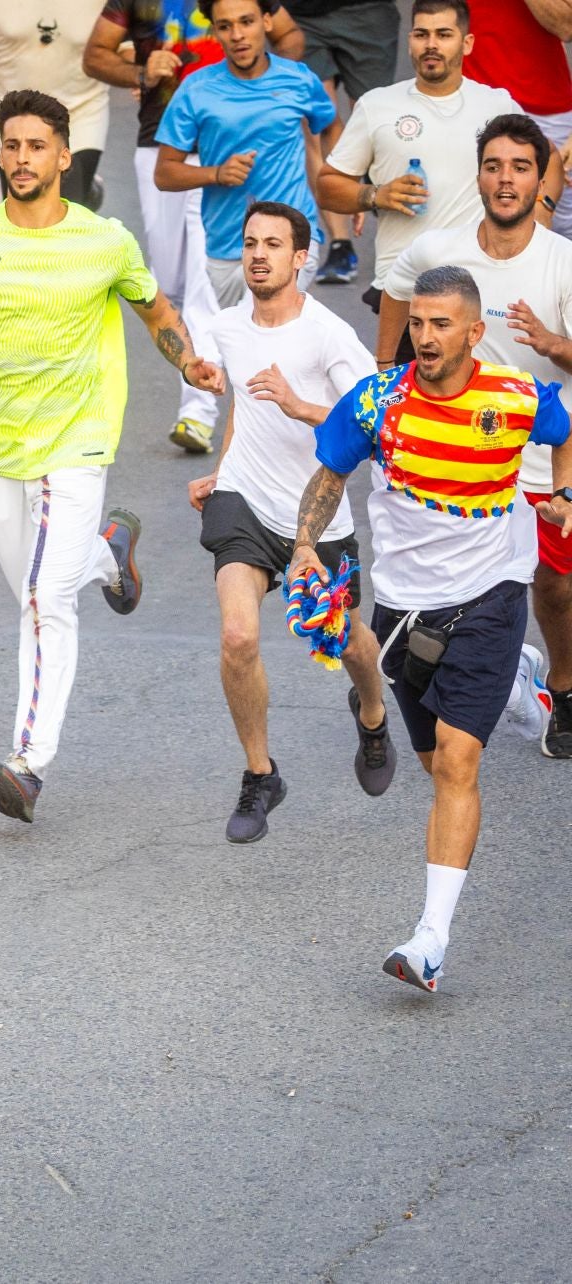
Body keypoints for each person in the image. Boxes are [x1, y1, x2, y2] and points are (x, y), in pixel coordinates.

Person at [0, 90, 225, 822]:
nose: (22, 159)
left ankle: (28, 762)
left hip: (78, 441)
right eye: (12, 145)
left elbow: (156, 310)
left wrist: (188, 365)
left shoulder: (105, 240)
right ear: (1, 153)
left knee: (44, 600)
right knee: (31, 588)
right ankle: (108, 555)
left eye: (37, 146)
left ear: (64, 156)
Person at [292, 266, 572, 992]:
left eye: (441, 324)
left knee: (455, 763)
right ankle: (522, 688)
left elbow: (564, 428)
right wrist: (301, 549)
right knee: (430, 761)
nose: (424, 336)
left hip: (490, 593)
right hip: (403, 607)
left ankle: (430, 940)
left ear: (475, 333)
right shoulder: (378, 402)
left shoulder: (511, 396)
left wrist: (564, 492)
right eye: (416, 322)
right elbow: (329, 476)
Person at [187, 202, 396, 843]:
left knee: (347, 640)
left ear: (300, 258)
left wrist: (299, 403)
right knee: (237, 637)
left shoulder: (329, 334)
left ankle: (372, 711)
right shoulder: (227, 326)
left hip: (317, 513)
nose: (258, 254)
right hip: (245, 500)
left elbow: (376, 423)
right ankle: (261, 774)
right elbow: (240, 417)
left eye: (274, 244)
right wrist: (223, 472)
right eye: (251, 243)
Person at [383, 115, 572, 757]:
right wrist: (388, 370)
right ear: (480, 173)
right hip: (459, 450)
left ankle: (561, 686)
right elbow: (397, 286)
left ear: (540, 176)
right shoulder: (443, 251)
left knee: (554, 584)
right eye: (494, 165)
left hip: (545, 452)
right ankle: (496, 675)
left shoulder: (563, 262)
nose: (505, 179)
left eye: (521, 167)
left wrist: (555, 346)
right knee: (459, 582)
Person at [83, 0, 306, 454]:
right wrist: (142, 73)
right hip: (159, 147)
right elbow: (95, 56)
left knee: (205, 281)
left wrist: (266, 89)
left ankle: (198, 411)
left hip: (223, 145)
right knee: (171, 284)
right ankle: (205, 362)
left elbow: (290, 36)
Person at [316, 0, 537, 366]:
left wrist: (539, 215)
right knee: (410, 415)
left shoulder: (496, 105)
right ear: (410, 42)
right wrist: (374, 194)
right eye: (421, 34)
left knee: (485, 415)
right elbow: (328, 184)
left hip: (482, 292)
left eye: (444, 34)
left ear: (466, 44)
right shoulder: (377, 105)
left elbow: (544, 167)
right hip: (404, 294)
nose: (431, 44)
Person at [155, 0, 339, 300]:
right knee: (241, 344)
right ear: (215, 32)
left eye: (246, 22)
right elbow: (165, 173)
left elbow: (331, 124)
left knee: (275, 332)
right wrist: (217, 173)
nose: (237, 34)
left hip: (294, 235)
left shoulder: (298, 78)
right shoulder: (196, 89)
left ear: (266, 22)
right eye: (225, 26)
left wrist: (347, 180)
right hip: (228, 246)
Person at [284, 0, 401, 286]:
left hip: (366, 12)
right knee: (316, 122)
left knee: (378, 122)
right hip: (299, 16)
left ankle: (394, 231)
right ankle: (340, 244)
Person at [0, 0, 111, 207]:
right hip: (15, 123)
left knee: (67, 208)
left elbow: (120, 46)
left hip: (81, 113)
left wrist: (139, 74)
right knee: (22, 210)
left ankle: (83, 191)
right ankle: (89, 191)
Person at [461, 0, 572, 237]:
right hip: (472, 100)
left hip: (545, 105)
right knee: (471, 222)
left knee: (561, 229)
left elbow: (567, 25)